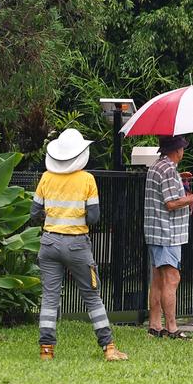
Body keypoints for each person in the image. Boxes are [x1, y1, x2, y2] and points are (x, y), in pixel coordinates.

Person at [31, 128, 127, 361]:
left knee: (50, 297)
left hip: (49, 243)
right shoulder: (87, 180)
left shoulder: (46, 177)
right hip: (77, 245)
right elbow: (93, 217)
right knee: (92, 296)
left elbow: (34, 212)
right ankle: (109, 348)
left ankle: (46, 350)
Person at [144, 134, 193, 339]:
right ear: (177, 150)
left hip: (156, 231)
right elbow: (171, 203)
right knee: (172, 279)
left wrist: (179, 179)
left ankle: (155, 326)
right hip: (168, 233)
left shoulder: (157, 166)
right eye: (182, 148)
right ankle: (172, 328)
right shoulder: (168, 170)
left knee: (157, 279)